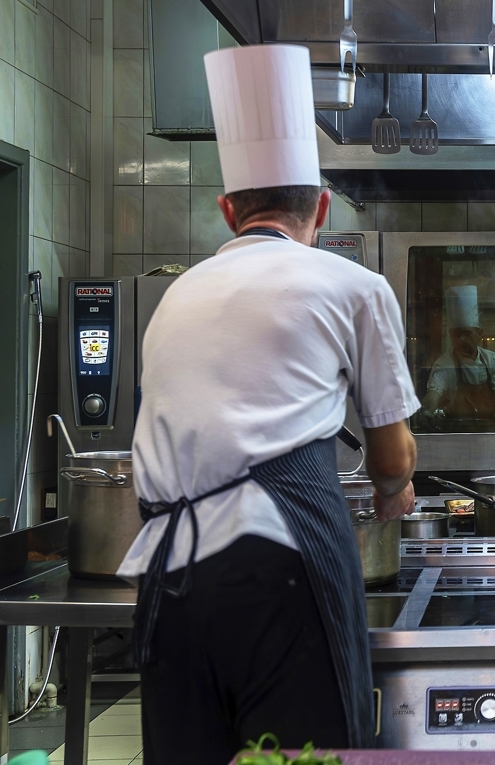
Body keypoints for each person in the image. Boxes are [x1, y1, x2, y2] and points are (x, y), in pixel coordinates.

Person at [117, 44, 421, 763]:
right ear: (321, 207)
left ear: (229, 211)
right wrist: (393, 492)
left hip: (167, 584)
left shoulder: (173, 297)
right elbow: (391, 455)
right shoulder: (355, 286)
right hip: (278, 576)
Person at [419, 285, 495, 430]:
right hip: (456, 428)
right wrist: (426, 411)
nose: (461, 339)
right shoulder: (444, 364)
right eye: (456, 334)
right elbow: (433, 393)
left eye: (467, 333)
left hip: (490, 429)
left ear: (479, 333)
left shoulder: (493, 361)